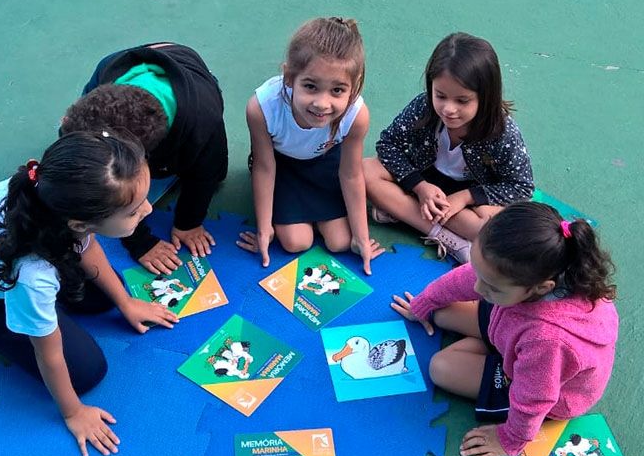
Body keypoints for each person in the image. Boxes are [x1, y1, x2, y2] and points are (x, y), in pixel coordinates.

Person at [0, 132, 178, 456]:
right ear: (80, 223)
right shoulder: (33, 274)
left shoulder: (52, 190)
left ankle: (99, 300)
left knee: (106, 296)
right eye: (133, 211)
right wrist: (73, 413)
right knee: (86, 372)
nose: (149, 208)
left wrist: (125, 303)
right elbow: (48, 355)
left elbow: (87, 244)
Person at [391, 202, 618, 456]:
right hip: (516, 328)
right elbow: (466, 279)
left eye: (491, 287)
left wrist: (509, 439)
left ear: (542, 288)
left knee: (440, 367)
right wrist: (425, 303)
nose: (477, 287)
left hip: (551, 389)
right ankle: (499, 348)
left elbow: (534, 399)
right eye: (480, 275)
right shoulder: (528, 272)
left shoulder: (547, 340)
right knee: (441, 312)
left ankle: (502, 356)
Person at [364, 33, 533, 263]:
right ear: (431, 86)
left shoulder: (502, 131)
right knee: (366, 171)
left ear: (486, 97)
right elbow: (387, 144)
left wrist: (465, 197)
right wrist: (420, 186)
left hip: (469, 198)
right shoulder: (423, 106)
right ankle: (445, 236)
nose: (448, 109)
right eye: (440, 95)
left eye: (462, 101)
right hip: (424, 181)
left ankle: (401, 211)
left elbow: (521, 187)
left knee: (498, 228)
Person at [61, 43, 228, 275]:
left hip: (192, 82)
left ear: (142, 159)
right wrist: (139, 242)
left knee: (214, 172)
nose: (147, 209)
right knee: (103, 182)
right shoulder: (100, 84)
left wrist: (188, 224)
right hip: (127, 65)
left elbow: (206, 174)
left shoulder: (203, 121)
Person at [236, 17, 382, 274]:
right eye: (311, 86)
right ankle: (302, 215)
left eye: (337, 90)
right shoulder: (262, 107)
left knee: (340, 243)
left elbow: (351, 174)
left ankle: (319, 217)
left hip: (326, 164)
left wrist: (361, 237)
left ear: (354, 86)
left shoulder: (357, 115)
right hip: (284, 166)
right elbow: (264, 168)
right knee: (295, 242)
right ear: (290, 77)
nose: (322, 104)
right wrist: (264, 228)